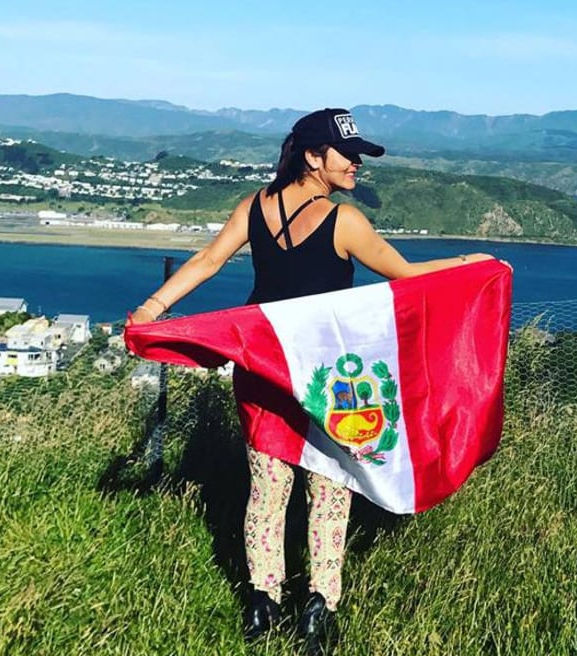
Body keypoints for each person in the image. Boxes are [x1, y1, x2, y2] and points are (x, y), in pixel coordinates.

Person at [128, 108, 493, 653]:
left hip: (264, 368)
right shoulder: (345, 222)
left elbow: (207, 261)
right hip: (326, 380)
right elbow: (407, 276)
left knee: (267, 490)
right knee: (330, 490)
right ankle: (319, 607)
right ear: (314, 157)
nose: (357, 165)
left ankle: (262, 603)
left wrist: (152, 308)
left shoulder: (255, 206)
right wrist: (472, 262)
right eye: (349, 155)